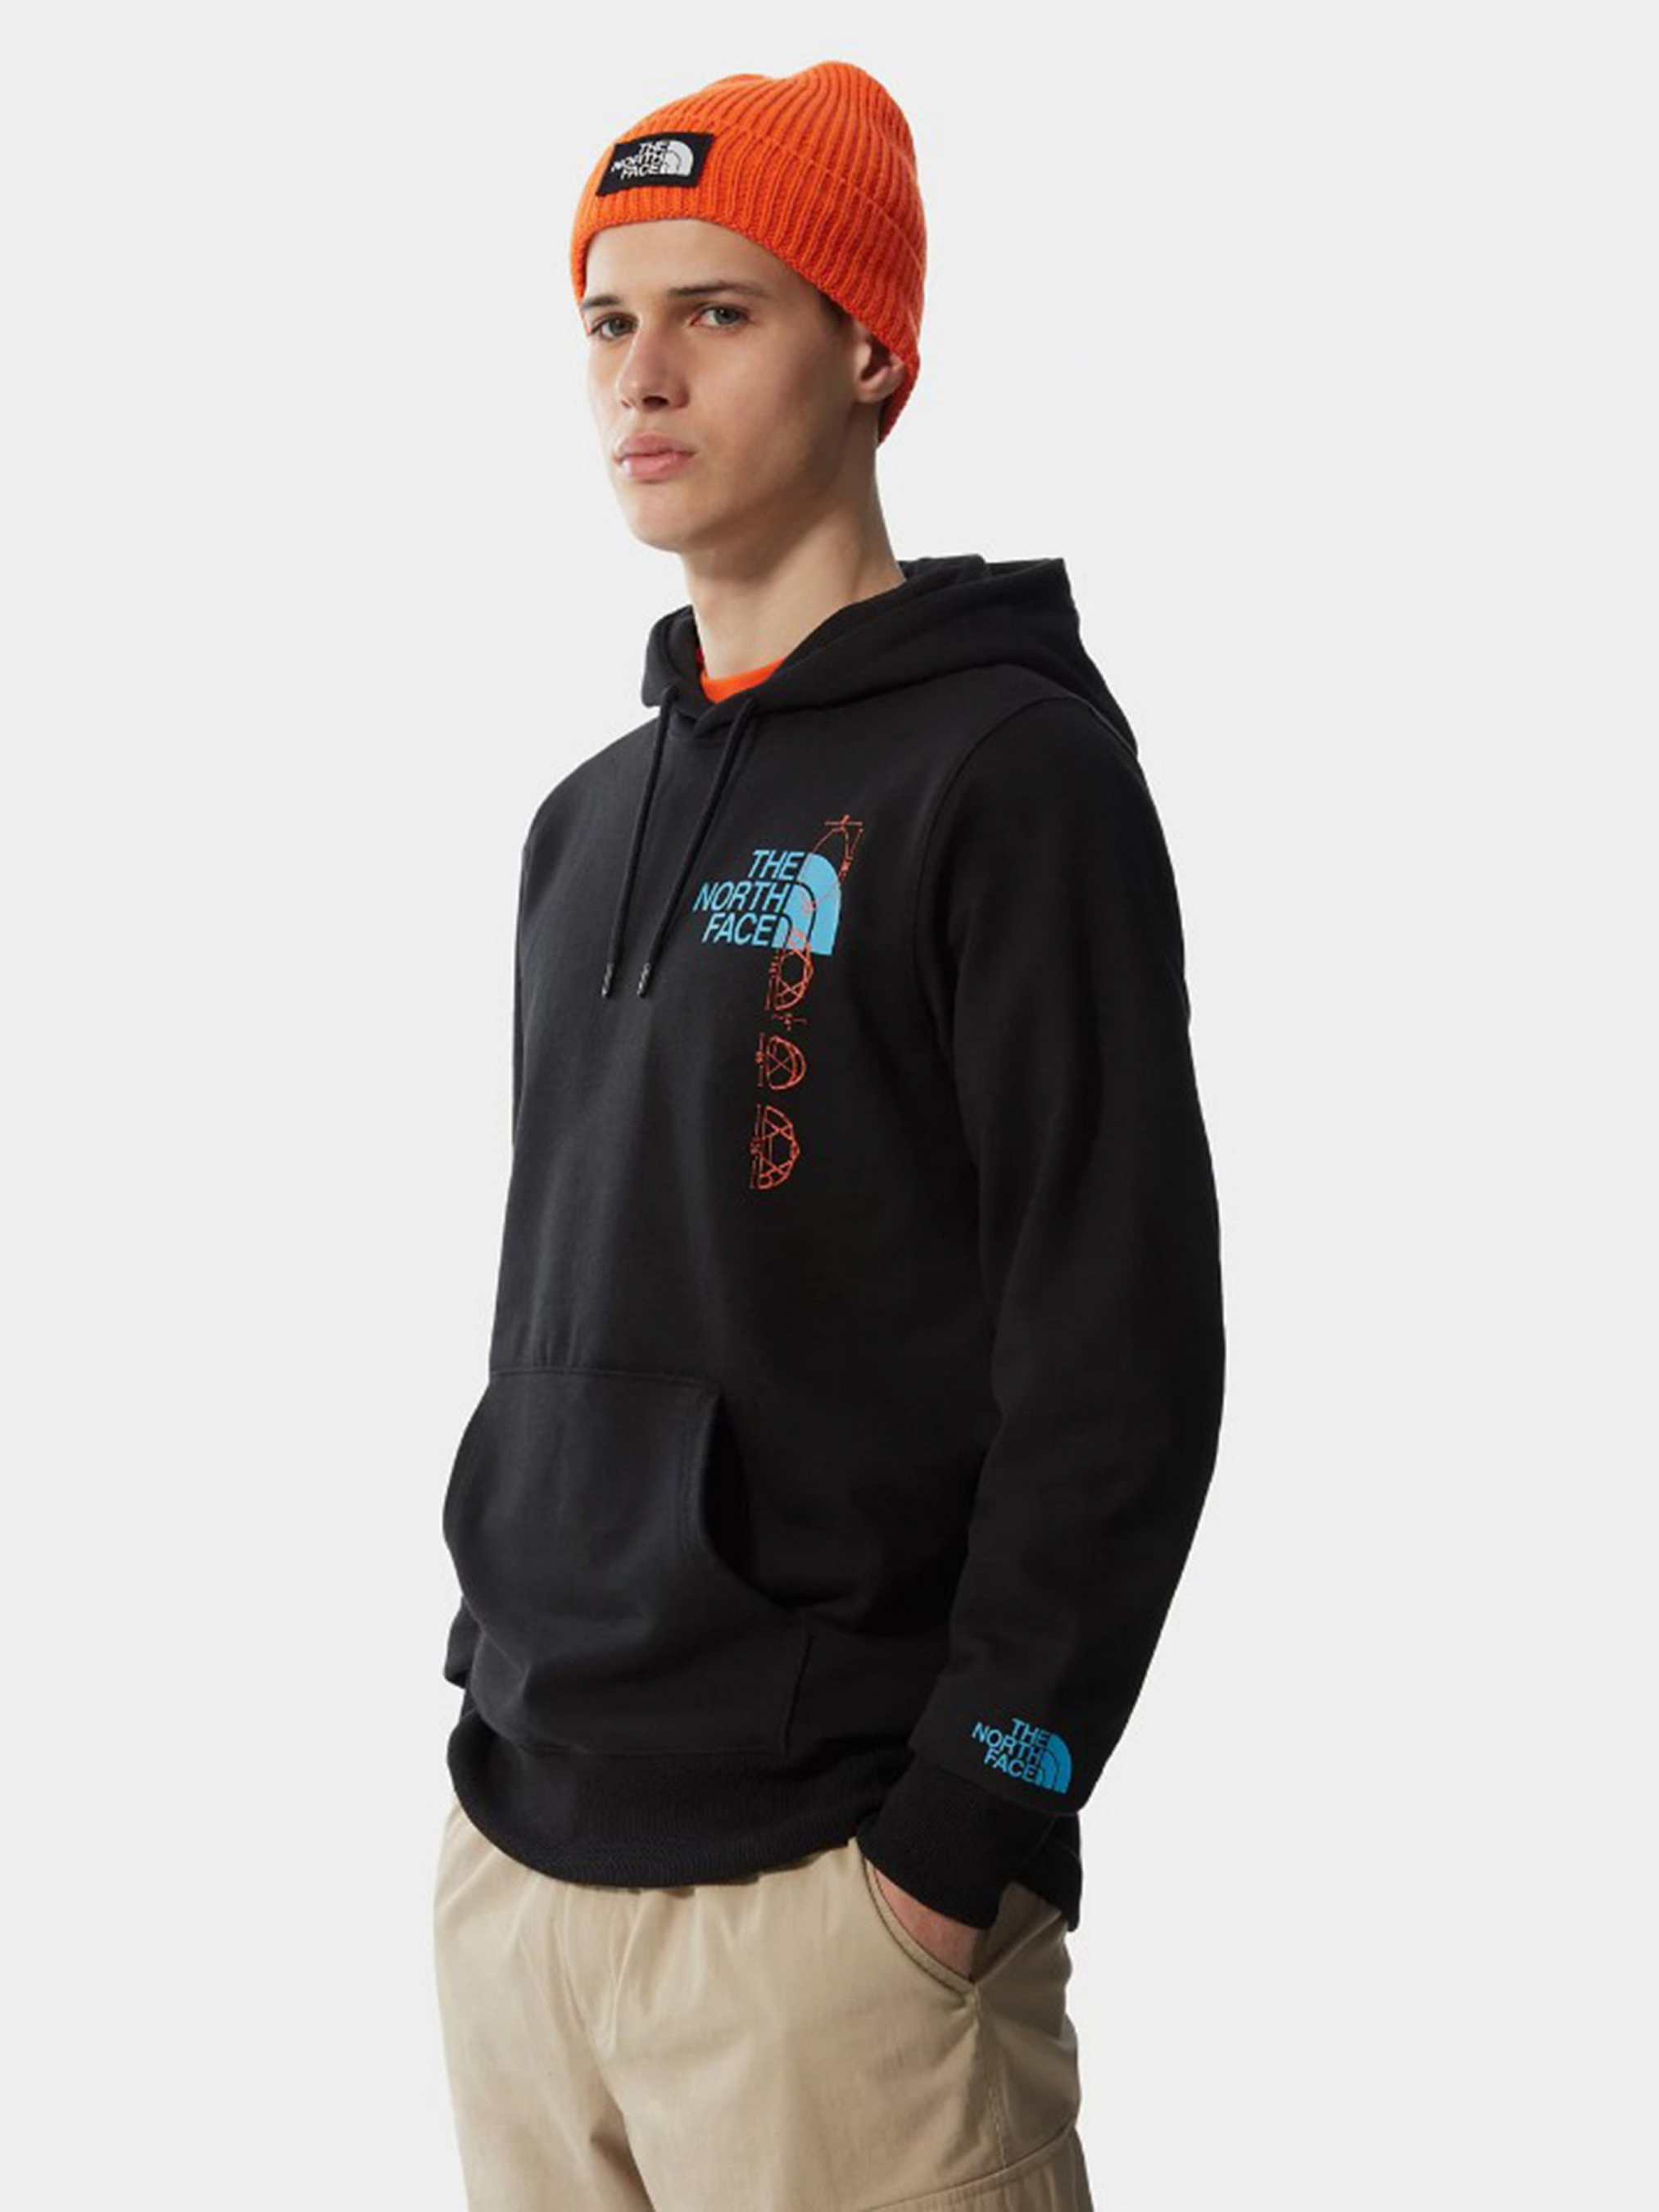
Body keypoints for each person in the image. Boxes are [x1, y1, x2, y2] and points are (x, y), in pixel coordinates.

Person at [431, 57, 1225, 2211]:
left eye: (719, 310)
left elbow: (1122, 1354)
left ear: (870, 351)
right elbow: (566, 1302)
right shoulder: (580, 827)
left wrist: (971, 1829)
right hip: (524, 1877)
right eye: (609, 320)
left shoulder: (1010, 777)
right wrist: (484, 1689)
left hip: (832, 1917)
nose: (644, 373)